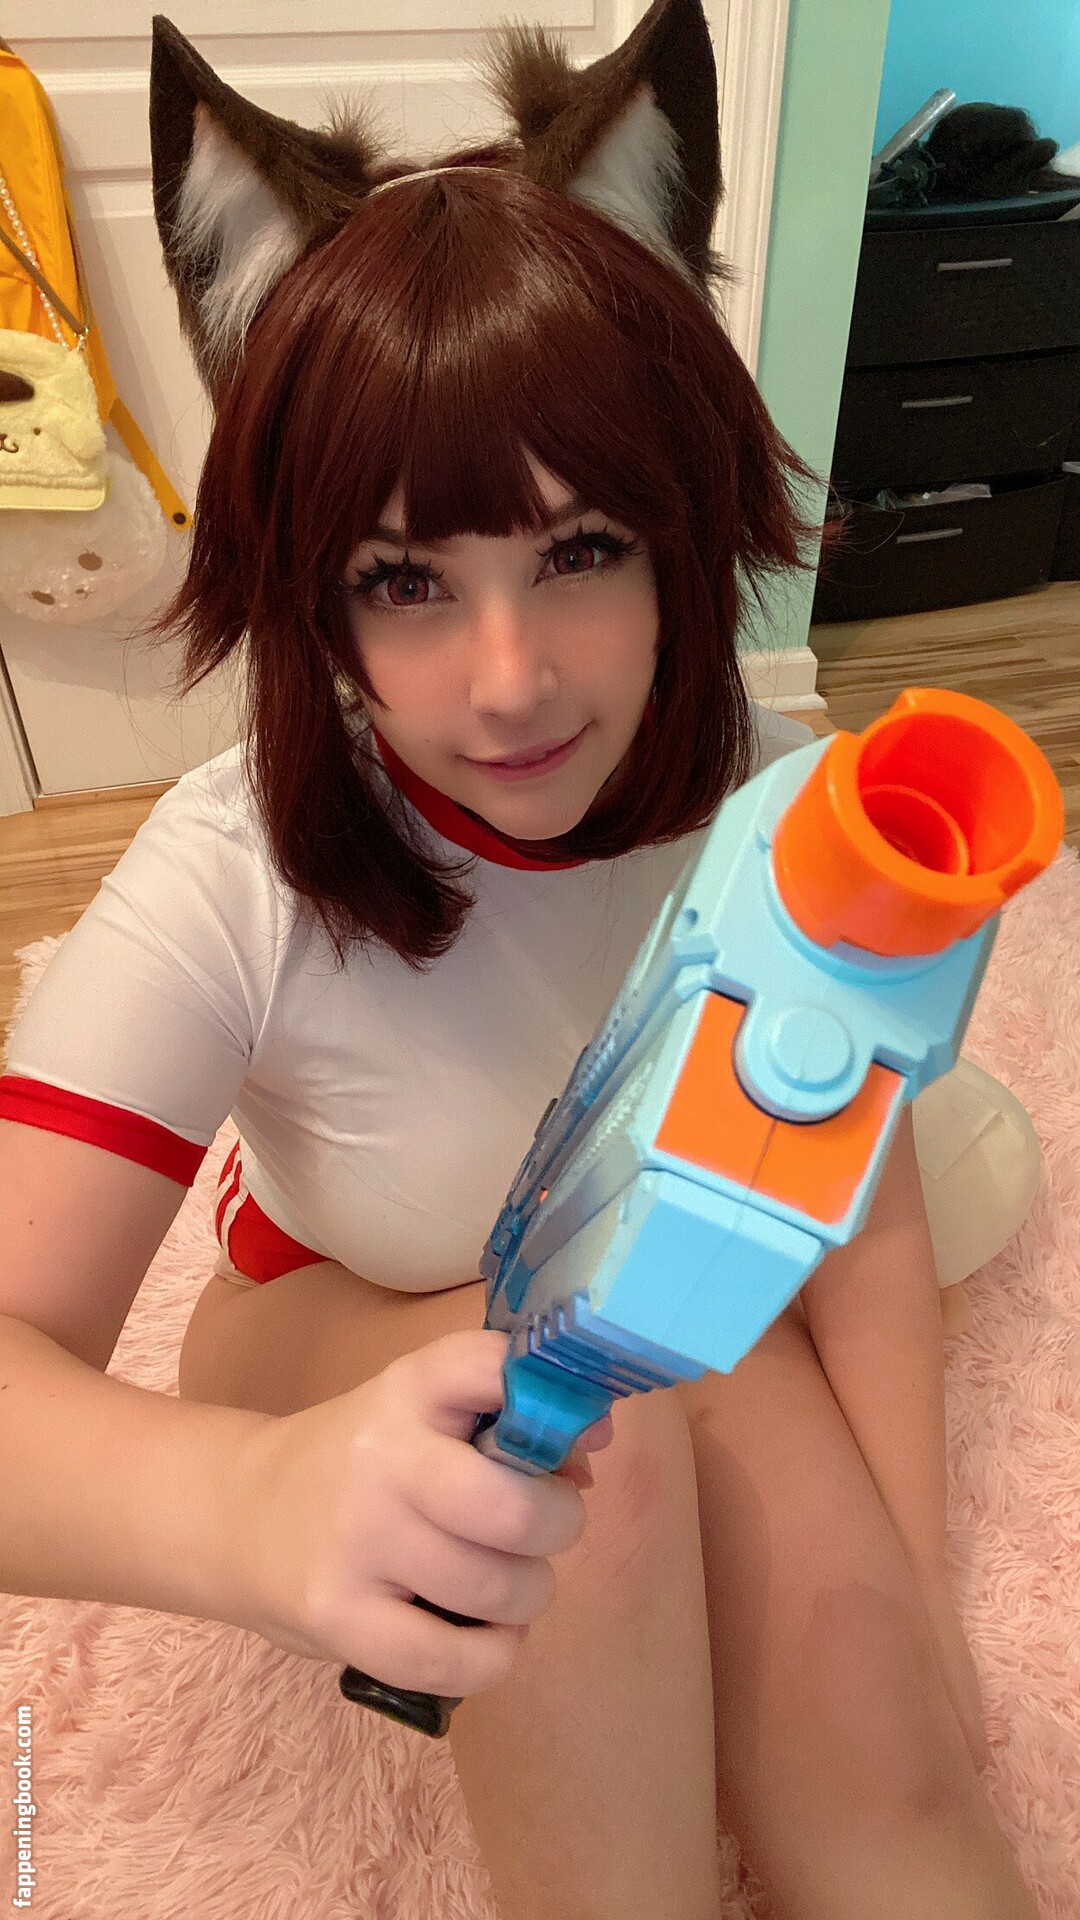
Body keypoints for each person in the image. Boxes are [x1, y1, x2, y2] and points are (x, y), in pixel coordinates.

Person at [0, 5, 1041, 1917]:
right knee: (571, 1461)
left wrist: (909, 1599)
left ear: (685, 531)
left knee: (887, 1762)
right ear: (312, 595)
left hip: (634, 1281)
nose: (508, 682)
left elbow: (858, 1212)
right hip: (340, 1298)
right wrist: (246, 1506)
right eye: (406, 581)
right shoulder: (232, 868)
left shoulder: (778, 805)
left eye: (579, 552)